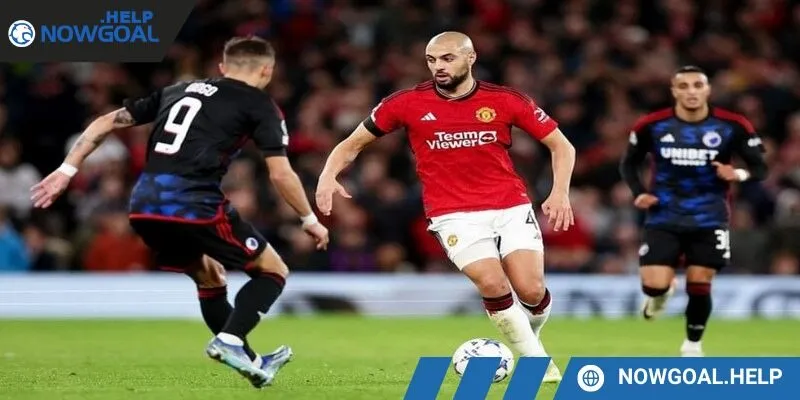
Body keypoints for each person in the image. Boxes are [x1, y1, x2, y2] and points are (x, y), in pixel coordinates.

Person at [30, 36, 329, 387]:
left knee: (210, 277)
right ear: (267, 70)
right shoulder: (260, 104)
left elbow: (106, 121)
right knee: (272, 270)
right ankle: (230, 340)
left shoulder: (177, 90)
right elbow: (280, 173)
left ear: (222, 67)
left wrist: (66, 170)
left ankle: (250, 361)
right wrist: (309, 219)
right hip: (192, 201)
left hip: (143, 205)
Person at [315, 31, 575, 383]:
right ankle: (538, 363)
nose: (438, 66)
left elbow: (562, 146)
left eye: (448, 58)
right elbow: (351, 143)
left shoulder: (505, 100)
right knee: (492, 284)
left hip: (510, 205)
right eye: (432, 60)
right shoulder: (405, 103)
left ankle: (531, 337)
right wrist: (327, 175)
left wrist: (559, 192)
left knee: (531, 290)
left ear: (471, 58)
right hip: (452, 214)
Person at [619, 65, 767, 357]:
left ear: (708, 90)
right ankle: (660, 295)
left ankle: (692, 344)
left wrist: (737, 174)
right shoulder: (653, 124)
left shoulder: (732, 125)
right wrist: (639, 193)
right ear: (674, 91)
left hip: (709, 216)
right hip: (664, 214)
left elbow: (760, 167)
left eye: (697, 85)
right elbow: (629, 162)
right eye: (684, 86)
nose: (691, 92)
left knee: (701, 281)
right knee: (653, 285)